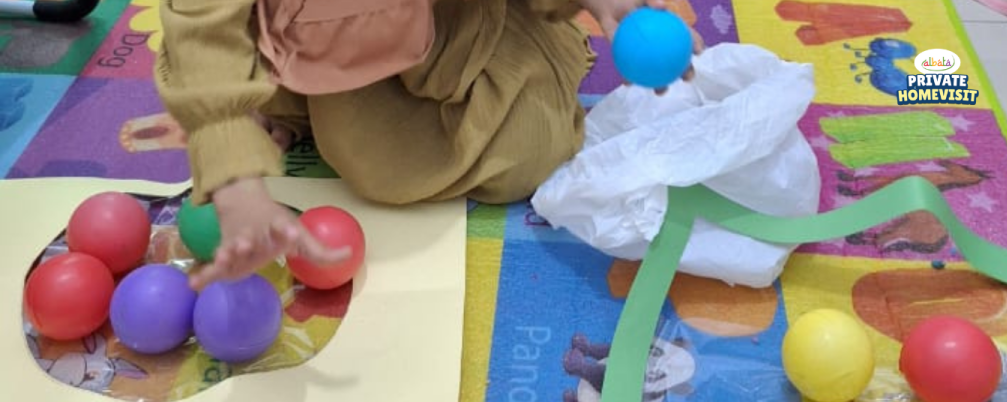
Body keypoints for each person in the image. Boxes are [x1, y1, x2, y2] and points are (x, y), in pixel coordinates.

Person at [155, 0, 702, 290]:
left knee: (527, 153)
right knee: (372, 164)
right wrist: (233, 172)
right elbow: (201, 26)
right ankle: (284, 96)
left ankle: (521, 46)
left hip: (447, 19)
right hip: (316, 34)